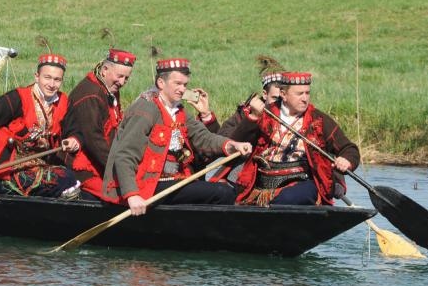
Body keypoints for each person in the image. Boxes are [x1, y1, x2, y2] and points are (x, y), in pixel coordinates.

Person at [102, 58, 253, 215]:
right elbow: (125, 154)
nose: (182, 89)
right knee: (222, 192)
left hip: (174, 181)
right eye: (178, 84)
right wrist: (132, 195)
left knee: (222, 189)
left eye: (185, 85)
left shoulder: (178, 110)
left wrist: (231, 145)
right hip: (148, 184)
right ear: (161, 83)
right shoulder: (146, 109)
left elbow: (203, 137)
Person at [232, 71, 359, 206]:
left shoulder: (319, 120)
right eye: (299, 94)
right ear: (283, 94)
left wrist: (347, 160)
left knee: (293, 197)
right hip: (262, 187)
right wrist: (253, 117)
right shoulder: (264, 113)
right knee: (228, 194)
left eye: (307, 93)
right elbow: (235, 143)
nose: (305, 98)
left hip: (303, 184)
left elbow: (349, 149)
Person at [0, 54, 81, 198]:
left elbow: (74, 129)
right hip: (6, 170)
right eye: (47, 77)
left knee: (69, 177)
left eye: (57, 80)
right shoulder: (17, 98)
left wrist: (73, 140)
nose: (52, 84)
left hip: (39, 166)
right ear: (36, 76)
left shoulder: (63, 101)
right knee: (65, 180)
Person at [61, 49, 136, 200]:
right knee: (122, 196)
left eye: (126, 78)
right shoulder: (90, 95)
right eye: (119, 76)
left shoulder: (109, 88)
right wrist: (120, 170)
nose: (122, 82)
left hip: (103, 161)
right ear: (104, 70)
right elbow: (94, 141)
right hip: (83, 167)